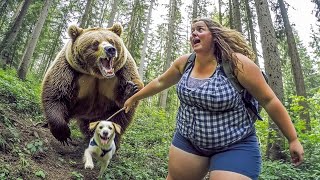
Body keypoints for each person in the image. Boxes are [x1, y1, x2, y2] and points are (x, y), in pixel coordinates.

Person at [124, 17, 304, 180]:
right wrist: (134, 98)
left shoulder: (237, 64)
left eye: (200, 29)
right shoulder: (185, 63)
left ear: (215, 35)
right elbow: (160, 82)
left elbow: (269, 100)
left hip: (235, 145)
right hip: (188, 141)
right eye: (192, 30)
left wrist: (293, 138)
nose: (194, 33)